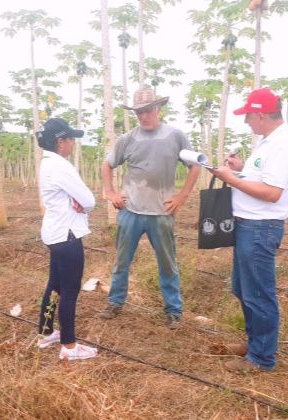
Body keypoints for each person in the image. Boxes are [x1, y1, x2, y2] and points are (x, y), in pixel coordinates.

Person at [208, 88, 288, 372]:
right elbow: (260, 180)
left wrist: (230, 179)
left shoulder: (283, 145)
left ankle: (262, 358)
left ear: (261, 115)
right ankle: (256, 343)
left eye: (249, 117)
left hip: (261, 227)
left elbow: (272, 192)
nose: (247, 122)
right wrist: (239, 170)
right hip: (248, 225)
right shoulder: (268, 142)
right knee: (242, 288)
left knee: (259, 294)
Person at [99, 87, 200, 329]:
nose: (144, 116)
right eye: (139, 112)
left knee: (167, 262)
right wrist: (111, 192)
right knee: (122, 261)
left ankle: (173, 310)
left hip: (162, 213)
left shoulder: (175, 136)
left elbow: (195, 166)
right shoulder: (128, 139)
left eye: (148, 110)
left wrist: (182, 196)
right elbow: (107, 164)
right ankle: (115, 301)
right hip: (131, 212)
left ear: (158, 109)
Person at [35, 117, 98, 361]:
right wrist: (81, 203)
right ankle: (69, 347)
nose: (73, 144)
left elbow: (78, 199)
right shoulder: (60, 166)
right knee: (70, 290)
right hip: (68, 235)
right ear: (61, 141)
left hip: (55, 233)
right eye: (71, 139)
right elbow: (89, 200)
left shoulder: (47, 164)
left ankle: (45, 332)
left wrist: (77, 202)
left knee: (55, 285)